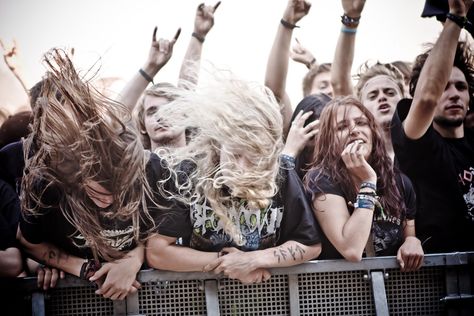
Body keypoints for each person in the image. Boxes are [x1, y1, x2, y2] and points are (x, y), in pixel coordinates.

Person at [146, 72, 322, 284]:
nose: (241, 167)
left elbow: (310, 245)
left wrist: (253, 260)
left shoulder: (281, 173)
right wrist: (226, 262)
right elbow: (158, 252)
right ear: (218, 146)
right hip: (201, 299)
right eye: (235, 154)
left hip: (267, 298)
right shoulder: (190, 173)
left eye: (253, 157)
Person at [16, 49, 162, 300]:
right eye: (99, 189)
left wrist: (132, 260)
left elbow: (161, 235)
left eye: (119, 189)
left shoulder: (150, 169)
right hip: (76, 300)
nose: (110, 200)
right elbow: (27, 240)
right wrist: (83, 269)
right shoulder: (47, 183)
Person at [391, 0, 474, 253]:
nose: (453, 94)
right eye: (444, 86)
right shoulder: (419, 143)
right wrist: (456, 17)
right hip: (435, 282)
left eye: (461, 87)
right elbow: (427, 98)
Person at [306, 96, 423, 271]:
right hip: (342, 290)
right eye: (342, 127)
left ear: (373, 131)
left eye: (361, 123)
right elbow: (351, 249)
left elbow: (409, 235)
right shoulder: (320, 179)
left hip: (394, 290)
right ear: (329, 140)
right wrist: (368, 182)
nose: (354, 130)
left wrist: (413, 241)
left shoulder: (399, 181)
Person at [119, 2, 220, 151]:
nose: (161, 117)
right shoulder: (137, 166)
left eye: (169, 109)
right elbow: (115, 117)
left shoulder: (203, 164)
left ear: (186, 116)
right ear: (143, 126)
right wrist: (150, 67)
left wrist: (198, 36)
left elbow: (187, 91)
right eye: (152, 111)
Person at [331, 0, 406, 160]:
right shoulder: (361, 156)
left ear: (404, 98)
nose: (382, 97)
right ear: (361, 109)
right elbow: (339, 83)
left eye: (390, 92)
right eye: (372, 95)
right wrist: (351, 19)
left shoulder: (423, 143)